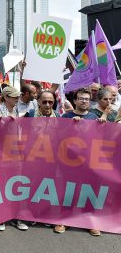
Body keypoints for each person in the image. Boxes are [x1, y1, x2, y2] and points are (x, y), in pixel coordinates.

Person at [54, 88, 104, 236]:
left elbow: (102, 139)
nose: (84, 101)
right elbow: (57, 136)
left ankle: (89, 222)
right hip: (69, 162)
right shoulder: (66, 116)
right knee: (69, 190)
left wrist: (103, 125)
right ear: (75, 101)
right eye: (81, 98)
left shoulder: (95, 117)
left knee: (89, 191)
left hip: (89, 161)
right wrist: (70, 124)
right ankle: (64, 220)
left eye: (87, 99)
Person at [0, 86, 28, 231]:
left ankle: (16, 215)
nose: (17, 98)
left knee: (16, 182)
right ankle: (1, 217)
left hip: (17, 151)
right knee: (2, 182)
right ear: (6, 97)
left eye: (17, 96)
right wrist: (3, 120)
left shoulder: (18, 110)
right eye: (14, 96)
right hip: (1, 152)